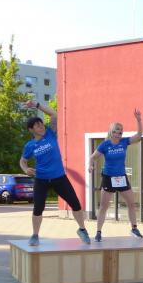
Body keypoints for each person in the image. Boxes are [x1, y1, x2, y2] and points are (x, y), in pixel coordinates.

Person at [20, 100, 90, 246]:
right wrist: (26, 169)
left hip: (59, 178)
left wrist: (36, 105)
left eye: (41, 124)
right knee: (38, 208)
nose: (41, 126)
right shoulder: (30, 145)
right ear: (31, 130)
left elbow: (54, 114)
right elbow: (23, 161)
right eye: (37, 125)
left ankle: (82, 229)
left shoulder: (50, 134)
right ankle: (35, 235)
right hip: (41, 180)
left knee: (75, 203)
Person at [88, 110, 143, 241]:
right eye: (116, 132)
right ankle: (98, 232)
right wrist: (90, 165)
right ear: (111, 132)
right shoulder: (105, 145)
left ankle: (134, 228)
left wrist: (138, 120)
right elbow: (92, 157)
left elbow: (139, 135)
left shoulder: (124, 142)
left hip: (121, 177)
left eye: (120, 132)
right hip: (108, 178)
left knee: (131, 203)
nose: (118, 134)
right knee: (104, 206)